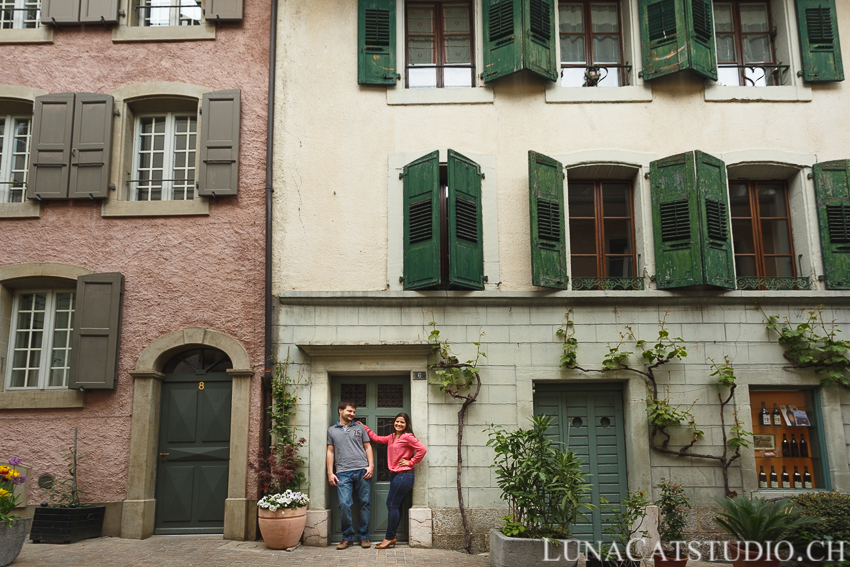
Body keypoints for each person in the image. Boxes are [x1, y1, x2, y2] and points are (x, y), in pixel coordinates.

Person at [362, 412, 427, 549]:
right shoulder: (392, 437)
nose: (399, 424)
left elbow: (422, 450)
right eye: (397, 421)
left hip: (404, 475)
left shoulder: (407, 437)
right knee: (395, 506)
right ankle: (392, 536)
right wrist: (365, 427)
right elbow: (377, 438)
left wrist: (411, 462)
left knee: (391, 505)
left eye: (402, 422)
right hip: (396, 476)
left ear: (406, 424)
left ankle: (389, 537)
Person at [327, 400, 374, 550]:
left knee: (364, 503)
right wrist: (330, 472)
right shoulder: (332, 430)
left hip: (362, 471)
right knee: (344, 504)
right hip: (342, 473)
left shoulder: (360, 428)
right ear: (340, 411)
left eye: (354, 412)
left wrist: (371, 466)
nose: (352, 414)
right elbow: (330, 451)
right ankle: (347, 537)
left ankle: (364, 536)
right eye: (349, 411)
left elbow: (368, 447)